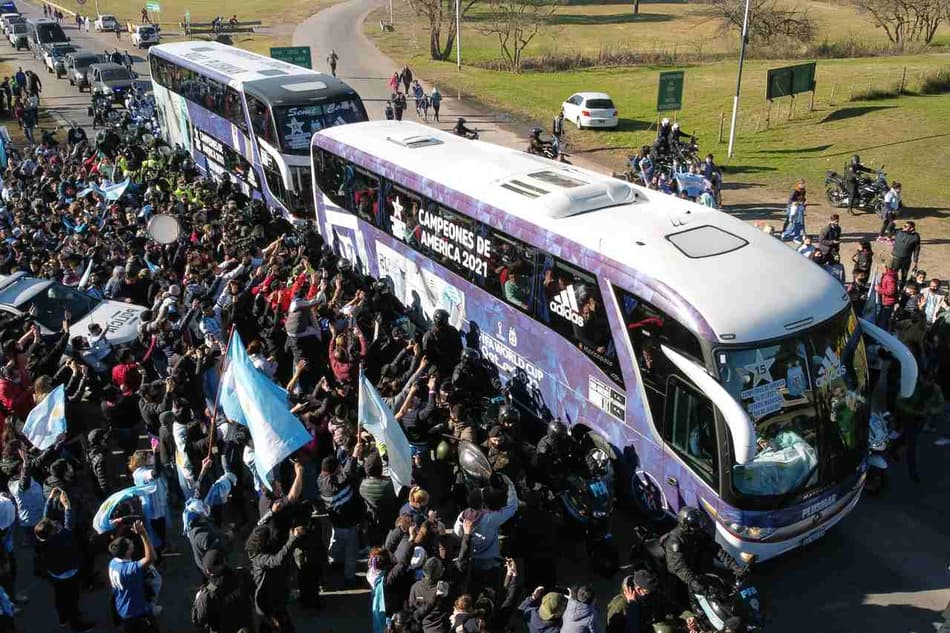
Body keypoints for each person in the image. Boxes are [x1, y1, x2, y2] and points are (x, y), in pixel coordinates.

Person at [34, 488, 94, 633]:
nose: (56, 525)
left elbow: (45, 519)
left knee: (59, 597)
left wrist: (49, 500)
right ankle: (77, 625)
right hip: (69, 573)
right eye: (54, 527)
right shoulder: (62, 538)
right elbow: (69, 523)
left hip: (54, 574)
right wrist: (67, 506)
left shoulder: (42, 539)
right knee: (72, 600)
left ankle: (62, 619)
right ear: (52, 531)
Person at [662, 507, 745, 598]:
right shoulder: (675, 540)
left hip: (695, 566)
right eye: (695, 525)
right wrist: (692, 581)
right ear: (685, 526)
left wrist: (734, 566)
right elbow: (678, 565)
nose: (699, 528)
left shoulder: (698, 533)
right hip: (679, 574)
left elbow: (716, 550)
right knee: (679, 596)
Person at [108, 520, 159, 632]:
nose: (132, 544)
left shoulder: (113, 563)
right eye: (130, 544)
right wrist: (143, 534)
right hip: (135, 614)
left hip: (122, 608)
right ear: (127, 552)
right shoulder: (128, 569)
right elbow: (150, 558)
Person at [191, 549, 255, 633]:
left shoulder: (208, 593)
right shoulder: (242, 575)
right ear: (224, 562)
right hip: (245, 627)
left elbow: (198, 620)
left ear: (208, 571)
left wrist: (198, 600)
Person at [891, 221, 921, 286]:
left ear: (912, 228)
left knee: (904, 275)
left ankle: (901, 288)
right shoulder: (899, 232)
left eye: (906, 226)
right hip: (895, 258)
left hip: (906, 260)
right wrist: (892, 223)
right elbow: (889, 229)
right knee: (892, 274)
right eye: (904, 225)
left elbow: (916, 250)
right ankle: (892, 286)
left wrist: (915, 261)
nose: (904, 227)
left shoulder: (916, 237)